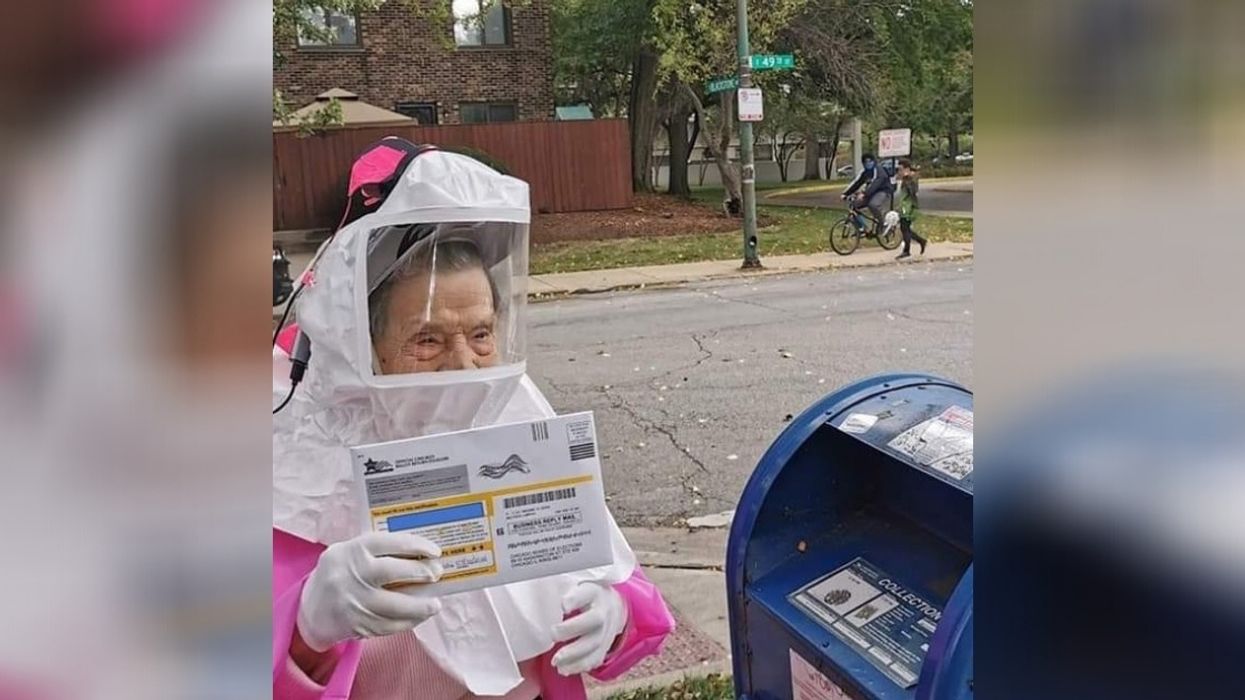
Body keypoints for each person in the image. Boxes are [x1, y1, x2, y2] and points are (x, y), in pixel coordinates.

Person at [272, 145, 674, 700]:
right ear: (360, 344)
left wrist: (615, 611)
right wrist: (303, 632)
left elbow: (622, 585)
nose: (464, 366)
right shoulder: (290, 459)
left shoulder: (514, 409)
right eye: (427, 339)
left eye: (481, 334)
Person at [841, 152, 895, 236]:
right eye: (866, 162)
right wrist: (846, 193)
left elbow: (876, 183)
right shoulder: (865, 172)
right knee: (854, 205)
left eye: (870, 161)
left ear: (874, 161)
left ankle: (883, 224)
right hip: (871, 192)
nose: (868, 163)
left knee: (873, 204)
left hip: (883, 191)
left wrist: (864, 194)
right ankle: (861, 228)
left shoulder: (879, 170)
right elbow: (857, 183)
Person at [894, 158, 927, 260]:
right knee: (905, 228)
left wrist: (907, 179)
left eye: (900, 169)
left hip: (909, 207)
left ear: (907, 169)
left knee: (905, 228)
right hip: (904, 206)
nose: (899, 172)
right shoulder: (905, 179)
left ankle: (907, 251)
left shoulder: (912, 179)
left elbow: (913, 192)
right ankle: (921, 241)